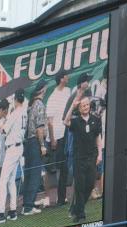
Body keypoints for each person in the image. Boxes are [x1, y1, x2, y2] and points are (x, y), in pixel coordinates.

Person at [64, 95, 102, 222]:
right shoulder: (75, 121)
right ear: (79, 108)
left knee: (90, 184)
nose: (85, 107)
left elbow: (98, 137)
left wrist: (100, 154)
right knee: (79, 186)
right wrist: (72, 107)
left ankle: (76, 208)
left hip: (92, 157)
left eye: (87, 105)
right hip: (79, 158)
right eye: (83, 106)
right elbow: (65, 121)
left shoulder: (96, 120)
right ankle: (80, 214)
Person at [0, 89, 27, 224]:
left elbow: (4, 130)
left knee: (3, 181)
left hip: (13, 148)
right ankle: (12, 211)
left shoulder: (15, 113)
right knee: (11, 180)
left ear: (16, 100)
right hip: (19, 147)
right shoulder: (23, 111)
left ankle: (1, 214)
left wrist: (4, 123)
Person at [42, 70, 71, 207]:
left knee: (63, 167)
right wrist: (52, 139)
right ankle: (47, 198)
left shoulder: (68, 91)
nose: (68, 77)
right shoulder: (52, 97)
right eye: (66, 76)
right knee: (50, 169)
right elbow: (50, 122)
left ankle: (62, 198)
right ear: (61, 79)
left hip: (66, 134)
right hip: (55, 138)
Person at [22, 80, 48, 215]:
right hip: (35, 142)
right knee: (35, 174)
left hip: (28, 143)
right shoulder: (39, 104)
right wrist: (42, 145)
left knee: (29, 174)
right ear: (43, 89)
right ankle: (29, 206)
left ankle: (26, 204)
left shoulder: (31, 104)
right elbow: (40, 127)